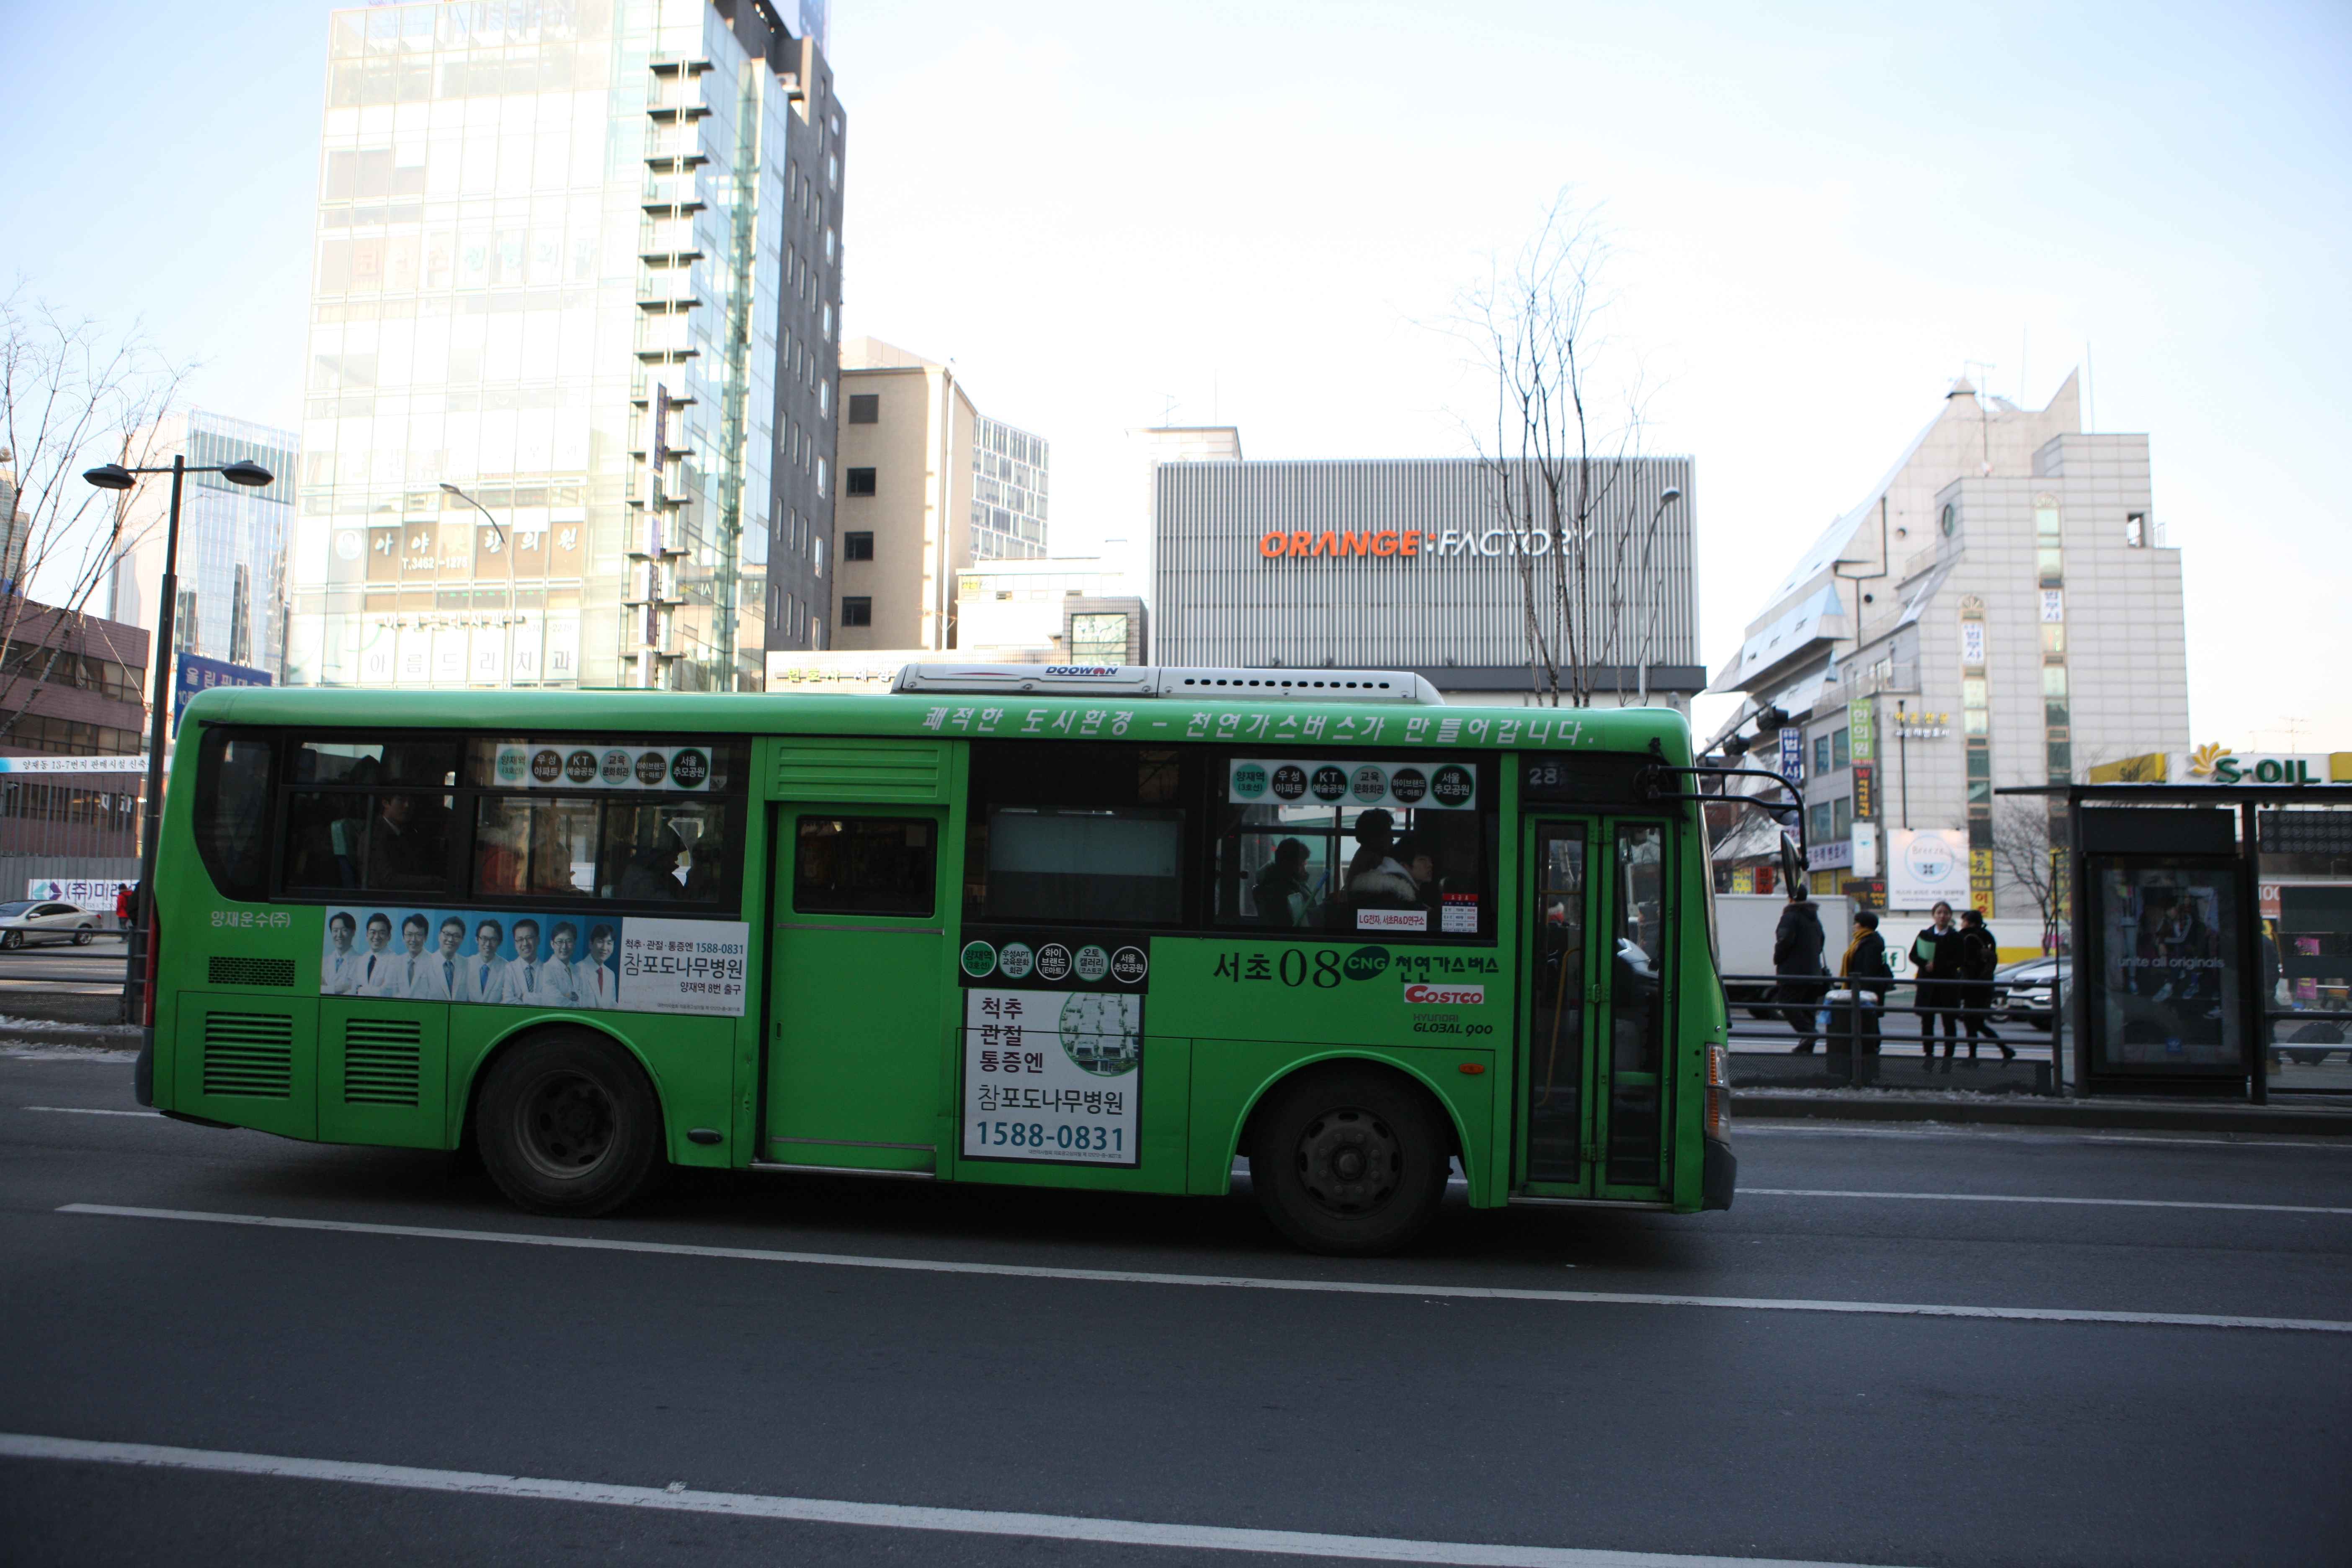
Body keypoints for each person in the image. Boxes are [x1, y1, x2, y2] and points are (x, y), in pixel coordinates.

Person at [1826, 910, 1893, 1054]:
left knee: (1869, 1019)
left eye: (1856, 923)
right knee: (1867, 1020)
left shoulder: (1871, 943)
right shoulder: (1862, 941)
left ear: (1864, 926)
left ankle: (1872, 1050)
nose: (1854, 926)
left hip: (1866, 989)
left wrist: (1862, 991)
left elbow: (1869, 969)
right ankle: (1869, 1049)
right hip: (1860, 987)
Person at [1910, 901, 1967, 1065]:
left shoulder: (1956, 937)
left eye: (1946, 913)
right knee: (1927, 1022)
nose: (1942, 916)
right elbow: (1913, 955)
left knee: (1949, 1022)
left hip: (1948, 985)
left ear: (1950, 916)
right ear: (1934, 915)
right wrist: (1924, 964)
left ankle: (1948, 1058)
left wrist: (1940, 965)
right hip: (1928, 984)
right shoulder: (1925, 934)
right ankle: (1929, 1055)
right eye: (1939, 913)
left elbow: (1960, 959)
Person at [1774, 887, 1830, 1053]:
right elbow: (1821, 942)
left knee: (1786, 1004)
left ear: (1791, 897)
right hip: (1814, 971)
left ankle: (1808, 1034)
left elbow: (1784, 941)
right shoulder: (1814, 918)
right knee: (1808, 1008)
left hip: (1793, 971)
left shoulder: (1790, 916)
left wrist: (1778, 958)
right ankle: (1807, 1047)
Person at [1955, 908, 2013, 1060]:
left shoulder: (1966, 937)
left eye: (1964, 921)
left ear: (1970, 923)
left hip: (1972, 986)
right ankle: (2003, 1050)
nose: (1962, 924)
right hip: (1985, 985)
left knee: (1972, 1023)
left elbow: (1964, 962)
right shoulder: (1988, 936)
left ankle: (1974, 1057)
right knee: (1977, 1023)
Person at [1251, 838, 1314, 928]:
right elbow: (1301, 920)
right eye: (1301, 865)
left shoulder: (1292, 884)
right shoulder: (1281, 892)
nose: (1304, 870)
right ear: (1289, 864)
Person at [407, 916, 469, 1001]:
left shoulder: (467, 965)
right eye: (447, 934)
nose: (451, 940)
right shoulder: (424, 964)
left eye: (456, 936)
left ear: (462, 940)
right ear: (439, 936)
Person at [498, 920, 548, 1005]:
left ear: (538, 940)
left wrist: (524, 997)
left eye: (529, 938)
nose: (525, 944)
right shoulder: (507, 969)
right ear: (515, 944)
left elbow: (551, 1001)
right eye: (520, 940)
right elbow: (508, 1001)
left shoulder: (549, 970)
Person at [354, 912, 401, 996]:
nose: (376, 937)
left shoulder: (396, 960)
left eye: (382, 933)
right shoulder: (361, 960)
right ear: (367, 935)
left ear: (389, 936)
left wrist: (359, 990)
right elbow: (353, 989)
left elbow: (386, 992)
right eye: (373, 932)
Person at [463, 919, 508, 1006]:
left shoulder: (507, 968)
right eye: (484, 938)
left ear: (500, 942)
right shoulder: (466, 964)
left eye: (493, 940)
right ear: (477, 939)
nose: (488, 944)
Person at [574, 924, 619, 1009]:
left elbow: (612, 1006)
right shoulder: (577, 971)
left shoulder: (611, 975)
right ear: (591, 944)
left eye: (609, 943)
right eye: (600, 942)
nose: (605, 948)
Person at [538, 921, 583, 1006]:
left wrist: (566, 996)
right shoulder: (545, 969)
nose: (564, 947)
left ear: (575, 944)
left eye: (569, 941)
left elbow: (590, 1000)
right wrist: (579, 1006)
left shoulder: (579, 970)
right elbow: (555, 1002)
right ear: (552, 944)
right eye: (560, 942)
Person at [321, 912, 366, 995]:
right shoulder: (323, 962)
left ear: (353, 932)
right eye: (335, 931)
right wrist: (339, 989)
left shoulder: (363, 962)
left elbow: (357, 992)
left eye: (344, 930)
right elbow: (315, 990)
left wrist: (326, 989)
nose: (339, 935)